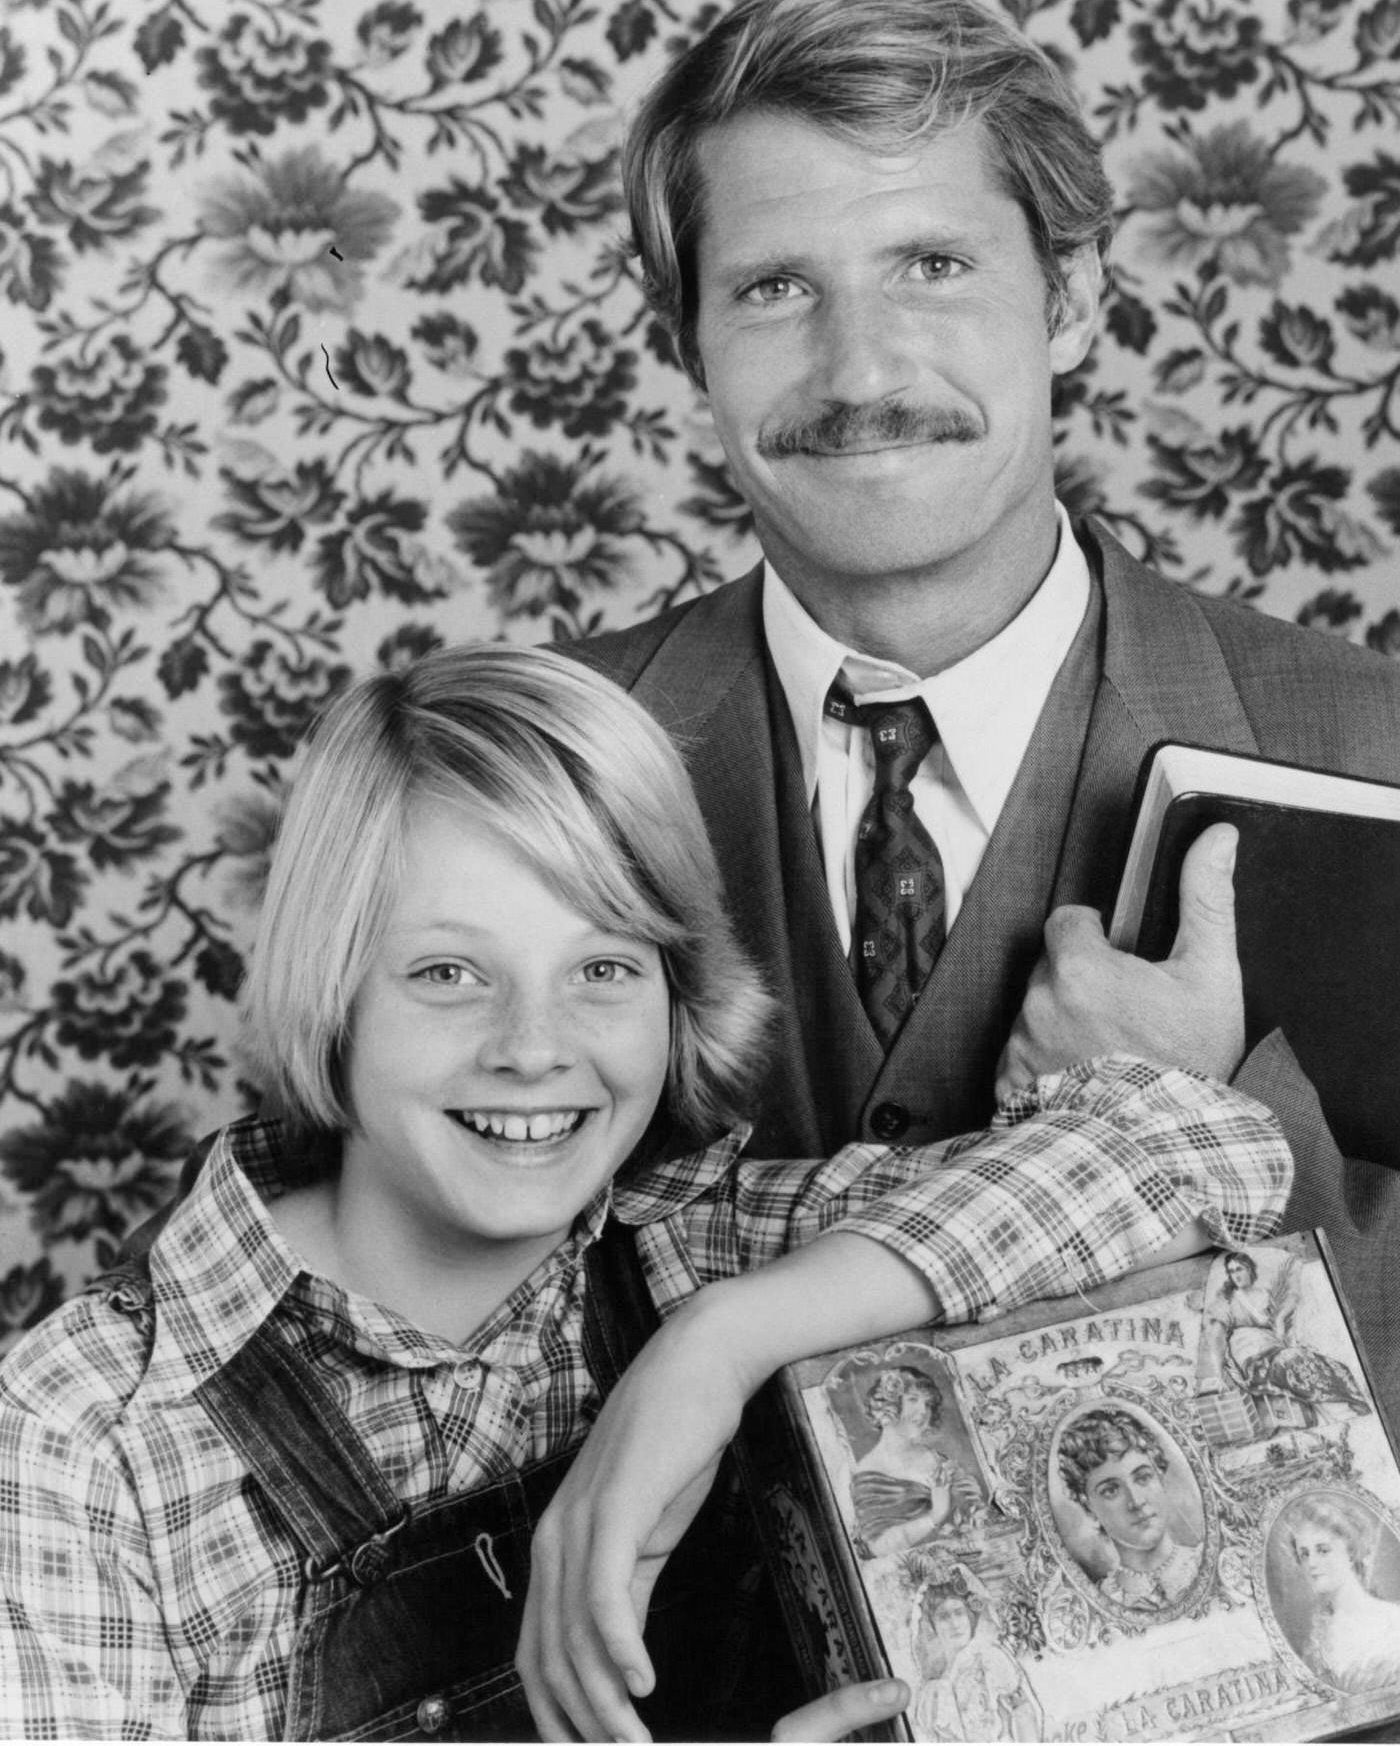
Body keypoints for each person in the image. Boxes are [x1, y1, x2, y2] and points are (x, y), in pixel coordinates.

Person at [0, 645, 1289, 1741]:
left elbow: (1198, 1147)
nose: (533, 1045)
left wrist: (716, 1346)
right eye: (448, 973)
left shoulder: (711, 1251)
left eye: (603, 969)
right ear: (329, 994)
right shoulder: (84, 1435)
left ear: (675, 998)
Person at [563, 0, 1400, 1442]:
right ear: (684, 337)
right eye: (773, 289)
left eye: (932, 266)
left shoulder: (1370, 748)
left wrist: (1195, 1131)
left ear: (1070, 297)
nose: (862, 368)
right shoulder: (543, 765)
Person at [1056, 1407, 1202, 1612]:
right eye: (1111, 1490)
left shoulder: (1204, 1563)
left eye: (1142, 1478)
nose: (1136, 1500)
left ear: (1159, 1477)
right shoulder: (1101, 1599)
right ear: (1087, 1504)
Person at [1200, 1248, 1369, 1424]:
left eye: (1239, 1269)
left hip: (1277, 1350)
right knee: (1293, 1361)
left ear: (1249, 1269)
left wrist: (1280, 1319)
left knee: (1326, 1363)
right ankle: (1342, 1412)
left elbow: (1291, 1299)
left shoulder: (1265, 1295)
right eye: (1231, 1271)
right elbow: (1217, 1338)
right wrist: (1218, 1375)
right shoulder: (1228, 1302)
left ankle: (1348, 1406)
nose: (1236, 1275)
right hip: (1255, 1360)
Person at [850, 1367, 981, 1558]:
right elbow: (878, 1548)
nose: (924, 1411)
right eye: (913, 1399)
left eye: (928, 1403)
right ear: (888, 1405)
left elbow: (975, 1508)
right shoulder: (868, 1475)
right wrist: (936, 1514)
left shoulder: (937, 1458)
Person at [1280, 1493, 1400, 1696]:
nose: (1312, 1564)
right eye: (1304, 1554)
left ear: (1351, 1552)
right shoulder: (1315, 1645)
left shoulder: (1393, 1620)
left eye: (1323, 1550)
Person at [911, 1580, 1042, 1742]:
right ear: (933, 1626)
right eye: (943, 1617)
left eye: (959, 1613)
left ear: (970, 1617)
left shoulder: (990, 1659)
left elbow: (1024, 1713)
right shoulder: (931, 1693)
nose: (954, 1624)